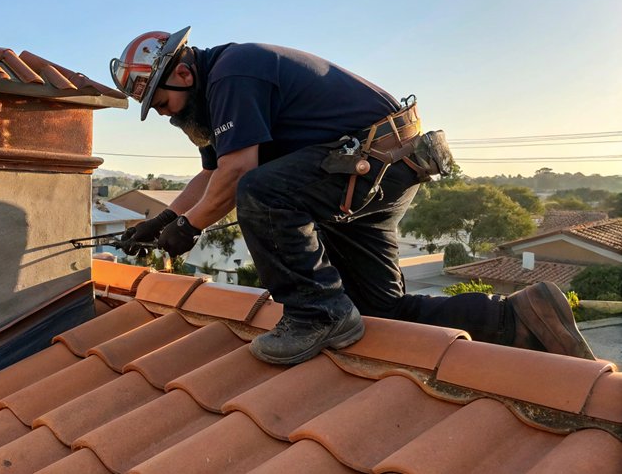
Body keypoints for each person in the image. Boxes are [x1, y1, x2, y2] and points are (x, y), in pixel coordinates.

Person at [110, 27, 595, 364]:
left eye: (163, 102)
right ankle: (521, 316)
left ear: (183, 74)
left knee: (260, 190)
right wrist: (163, 219)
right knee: (382, 311)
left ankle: (316, 313)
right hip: (369, 173)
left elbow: (238, 176)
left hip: (366, 164)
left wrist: (189, 229)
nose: (166, 115)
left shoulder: (233, 72)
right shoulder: (218, 90)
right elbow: (213, 173)